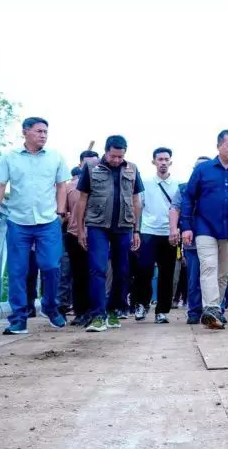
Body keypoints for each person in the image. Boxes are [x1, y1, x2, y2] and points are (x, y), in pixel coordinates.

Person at [0, 117, 69, 335]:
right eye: (39, 131)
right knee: (18, 271)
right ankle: (18, 318)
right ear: (25, 132)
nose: (43, 135)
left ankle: (50, 307)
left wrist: (60, 212)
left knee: (51, 266)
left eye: (45, 132)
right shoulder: (9, 158)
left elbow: (62, 185)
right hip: (18, 221)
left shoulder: (55, 157)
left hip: (48, 221)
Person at [181, 130, 228, 330]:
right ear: (219, 146)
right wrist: (186, 227)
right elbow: (188, 198)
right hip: (204, 227)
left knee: (223, 274)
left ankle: (214, 312)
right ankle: (212, 308)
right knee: (208, 266)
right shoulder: (203, 170)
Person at [75, 135, 144, 332]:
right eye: (113, 156)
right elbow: (82, 199)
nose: (116, 160)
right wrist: (80, 229)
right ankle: (98, 315)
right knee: (97, 268)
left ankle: (114, 310)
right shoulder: (91, 168)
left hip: (123, 226)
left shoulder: (132, 169)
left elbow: (136, 200)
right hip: (97, 225)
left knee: (122, 270)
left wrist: (136, 230)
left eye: (120, 156)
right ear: (106, 152)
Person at [135, 147, 177, 323]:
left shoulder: (177, 185)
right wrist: (136, 231)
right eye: (160, 159)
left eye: (166, 159)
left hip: (169, 234)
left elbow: (180, 209)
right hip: (148, 232)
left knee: (167, 273)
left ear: (171, 162)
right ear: (154, 162)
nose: (163, 163)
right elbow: (138, 207)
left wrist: (177, 229)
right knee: (144, 269)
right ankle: (142, 304)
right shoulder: (145, 183)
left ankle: (162, 311)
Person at [170, 155, 212, 324]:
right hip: (192, 241)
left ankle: (214, 310)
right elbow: (175, 208)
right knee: (194, 279)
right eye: (197, 168)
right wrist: (174, 229)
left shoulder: (218, 188)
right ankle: (194, 312)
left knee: (214, 278)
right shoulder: (183, 189)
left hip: (215, 240)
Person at [65, 150, 100, 326]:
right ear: (80, 165)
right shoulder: (69, 187)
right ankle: (80, 312)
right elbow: (61, 212)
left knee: (97, 273)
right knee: (78, 275)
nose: (90, 167)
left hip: (99, 234)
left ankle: (97, 311)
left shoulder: (104, 185)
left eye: (94, 164)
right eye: (87, 164)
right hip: (74, 234)